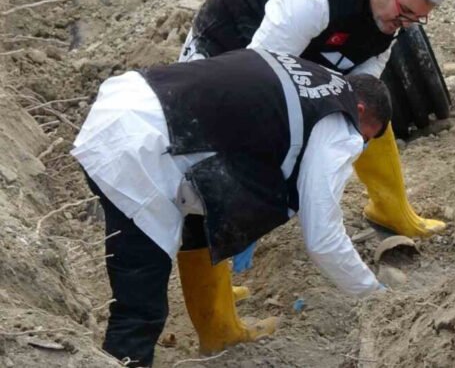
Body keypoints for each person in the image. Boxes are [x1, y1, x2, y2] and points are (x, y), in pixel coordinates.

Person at [71, 48, 392, 366]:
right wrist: (374, 294)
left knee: (192, 232)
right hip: (139, 152)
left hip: (128, 102)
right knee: (141, 307)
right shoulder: (339, 123)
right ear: (360, 110)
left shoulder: (312, 76)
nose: (359, 146)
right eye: (366, 138)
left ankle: (215, 332)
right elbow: (323, 238)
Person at [179, 0, 447, 239]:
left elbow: (364, 86)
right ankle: (212, 282)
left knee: (368, 109)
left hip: (304, 41)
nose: (407, 24)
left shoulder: (391, 8)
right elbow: (257, 81)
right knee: (208, 156)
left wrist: (349, 114)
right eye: (406, 12)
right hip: (227, 42)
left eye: (417, 18)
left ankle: (391, 210)